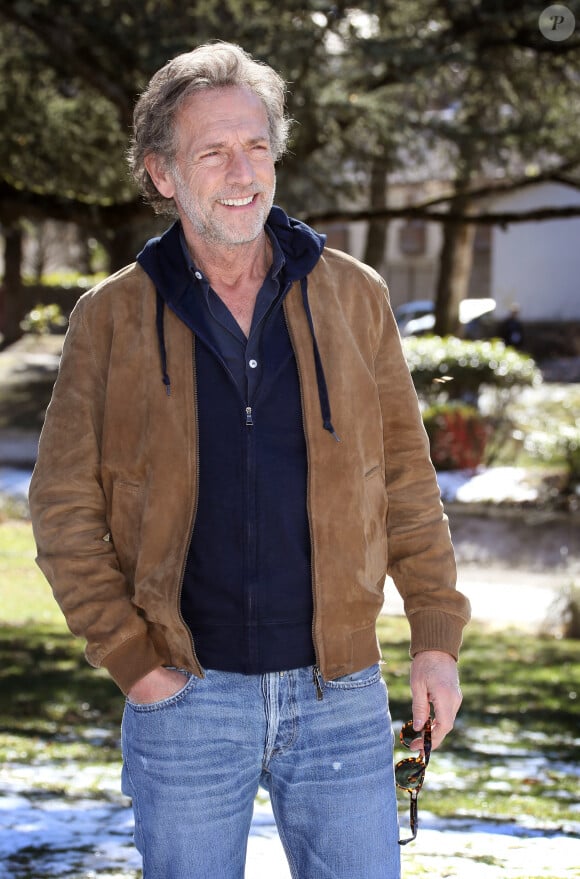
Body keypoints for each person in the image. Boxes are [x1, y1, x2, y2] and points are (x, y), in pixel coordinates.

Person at [29, 41, 470, 879]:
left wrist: (435, 638)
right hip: (186, 700)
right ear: (162, 174)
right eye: (213, 151)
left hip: (339, 696)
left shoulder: (356, 295)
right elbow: (61, 509)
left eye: (258, 145)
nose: (244, 171)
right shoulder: (110, 318)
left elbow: (407, 480)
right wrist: (133, 659)